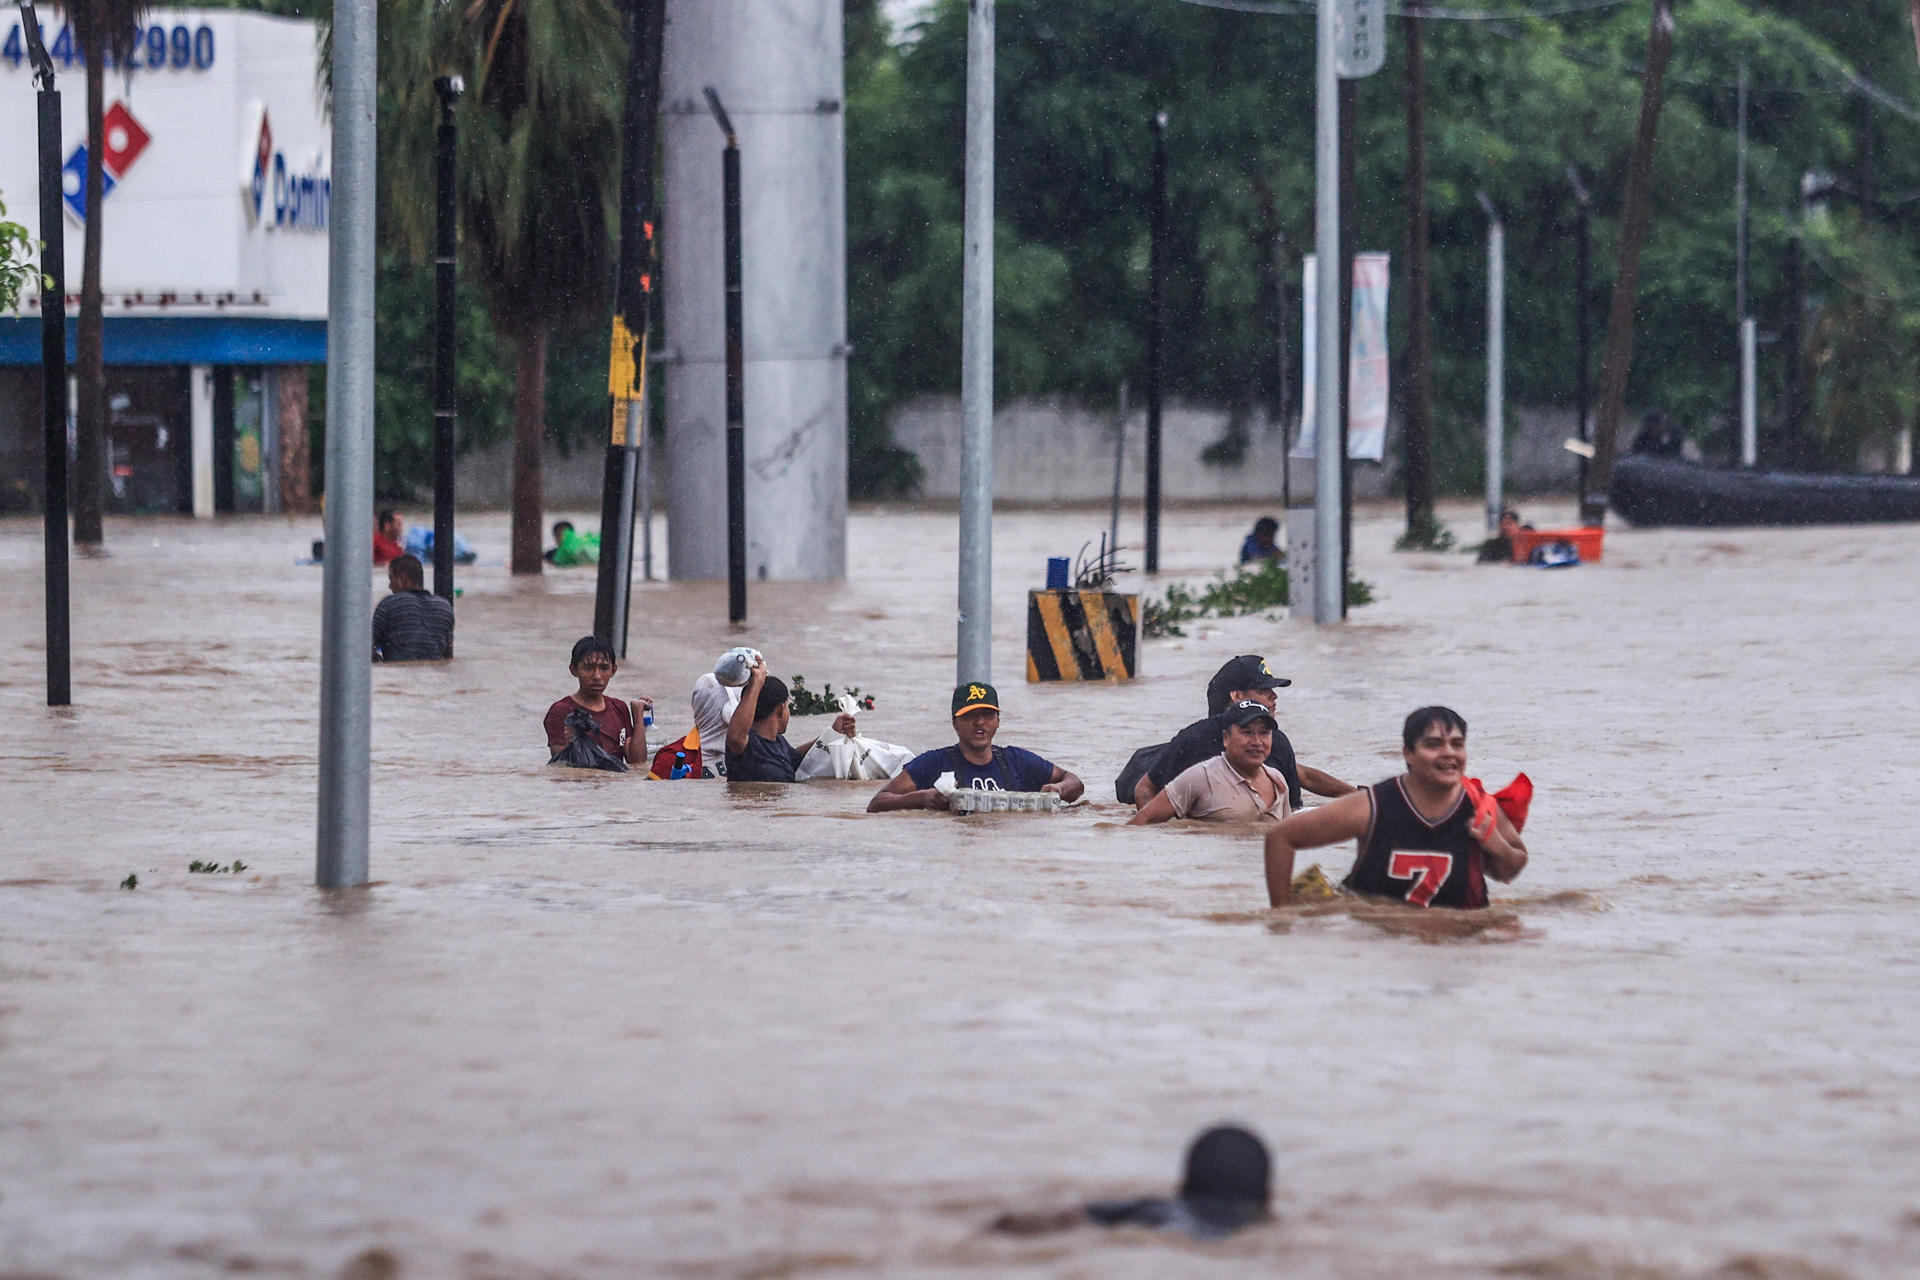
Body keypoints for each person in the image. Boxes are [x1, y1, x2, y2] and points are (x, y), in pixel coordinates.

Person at [1261, 706, 1528, 909]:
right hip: (1379, 945)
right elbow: (1281, 837)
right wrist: (1281, 921)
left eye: (1457, 744)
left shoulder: (1479, 805)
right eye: (1434, 744)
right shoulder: (1374, 806)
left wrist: (1495, 845)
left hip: (1458, 949)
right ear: (1408, 754)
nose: (1448, 752)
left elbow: (1511, 869)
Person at [1124, 655, 1351, 811]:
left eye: (1263, 733)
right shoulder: (1193, 741)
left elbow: (1296, 799)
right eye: (1263, 690)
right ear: (1237, 696)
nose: (1274, 696)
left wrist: (1358, 795)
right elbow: (1145, 789)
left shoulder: (1277, 742)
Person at [991, 1125, 1272, 1240]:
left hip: (1150, 1222)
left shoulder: (1152, 1206)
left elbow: (1077, 1213)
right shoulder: (1251, 1230)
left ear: (1186, 1181)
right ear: (1265, 1193)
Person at [866, 682, 1084, 811]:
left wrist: (1059, 789)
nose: (980, 722)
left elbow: (1074, 783)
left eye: (987, 715)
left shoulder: (1017, 760)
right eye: (970, 716)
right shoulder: (933, 763)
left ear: (998, 721)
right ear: (955, 723)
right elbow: (877, 803)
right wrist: (922, 798)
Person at [1127, 701, 1290, 826]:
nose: (1257, 742)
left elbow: (1286, 834)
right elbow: (1140, 823)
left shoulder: (1277, 780)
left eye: (1264, 733)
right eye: (1247, 732)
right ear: (1226, 738)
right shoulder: (1200, 777)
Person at [725, 654, 857, 782]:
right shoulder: (747, 746)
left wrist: (832, 734)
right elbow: (735, 736)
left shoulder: (778, 742)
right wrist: (757, 682)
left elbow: (797, 757)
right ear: (781, 708)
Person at [543, 635, 652, 769]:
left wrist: (637, 713)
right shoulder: (561, 712)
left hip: (614, 781)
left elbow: (637, 763)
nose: (597, 676)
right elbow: (564, 767)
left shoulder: (619, 708)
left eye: (604, 668)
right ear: (573, 670)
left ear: (613, 670)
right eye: (588, 668)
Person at [371, 554, 453, 662]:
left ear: (403, 579)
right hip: (434, 671)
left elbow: (366, 648)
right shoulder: (444, 607)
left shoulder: (389, 604)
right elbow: (448, 654)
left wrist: (380, 663)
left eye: (391, 579)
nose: (390, 586)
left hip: (398, 670)